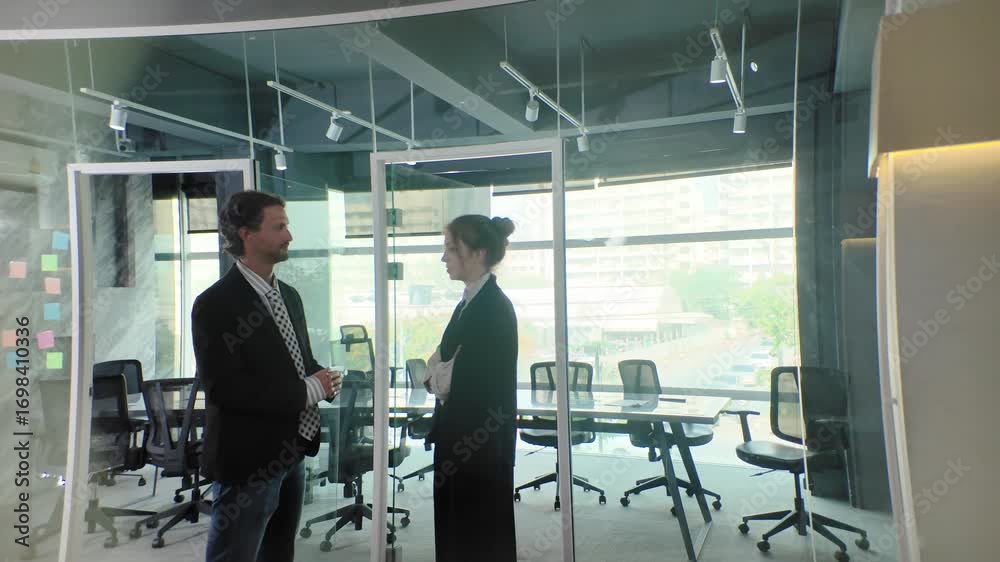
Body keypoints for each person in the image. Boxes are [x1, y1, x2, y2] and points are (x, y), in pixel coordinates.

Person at [192, 191, 342, 562]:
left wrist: (322, 378)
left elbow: (297, 360)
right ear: (247, 234)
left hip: (293, 452)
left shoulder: (289, 295)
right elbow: (225, 390)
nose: (289, 235)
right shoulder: (214, 304)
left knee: (278, 554)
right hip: (247, 461)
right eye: (279, 227)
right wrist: (308, 390)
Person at [425, 214, 519, 562]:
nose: (444, 257)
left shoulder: (492, 308)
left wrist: (438, 374)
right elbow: (441, 365)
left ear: (478, 253)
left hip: (478, 447)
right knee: (458, 533)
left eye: (451, 249)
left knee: (476, 538)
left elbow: (447, 379)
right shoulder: (469, 303)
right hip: (460, 438)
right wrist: (439, 373)